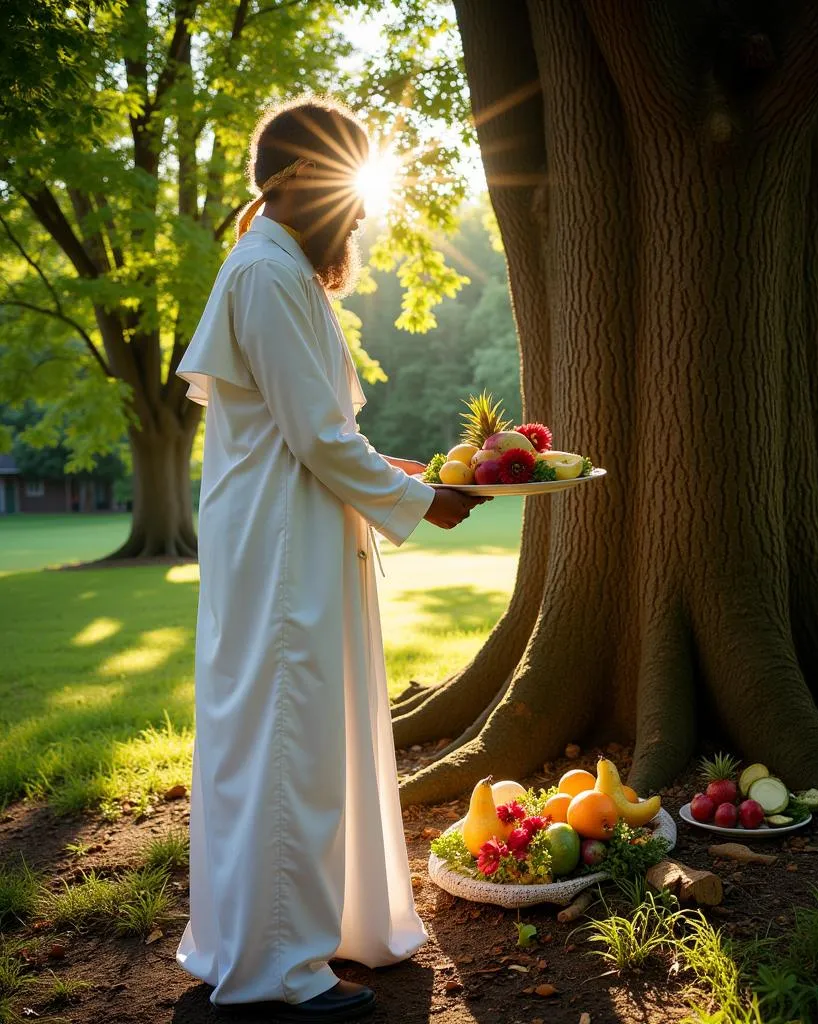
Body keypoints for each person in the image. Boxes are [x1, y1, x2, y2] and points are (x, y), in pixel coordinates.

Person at [174, 97, 486, 1022]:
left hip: (298, 533)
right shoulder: (267, 275)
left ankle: (326, 930)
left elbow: (312, 427)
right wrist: (422, 500)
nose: (358, 216)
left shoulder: (283, 270)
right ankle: (278, 967)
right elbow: (313, 436)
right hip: (280, 550)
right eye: (348, 196)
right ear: (304, 181)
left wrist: (397, 469)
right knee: (288, 739)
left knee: (315, 734)